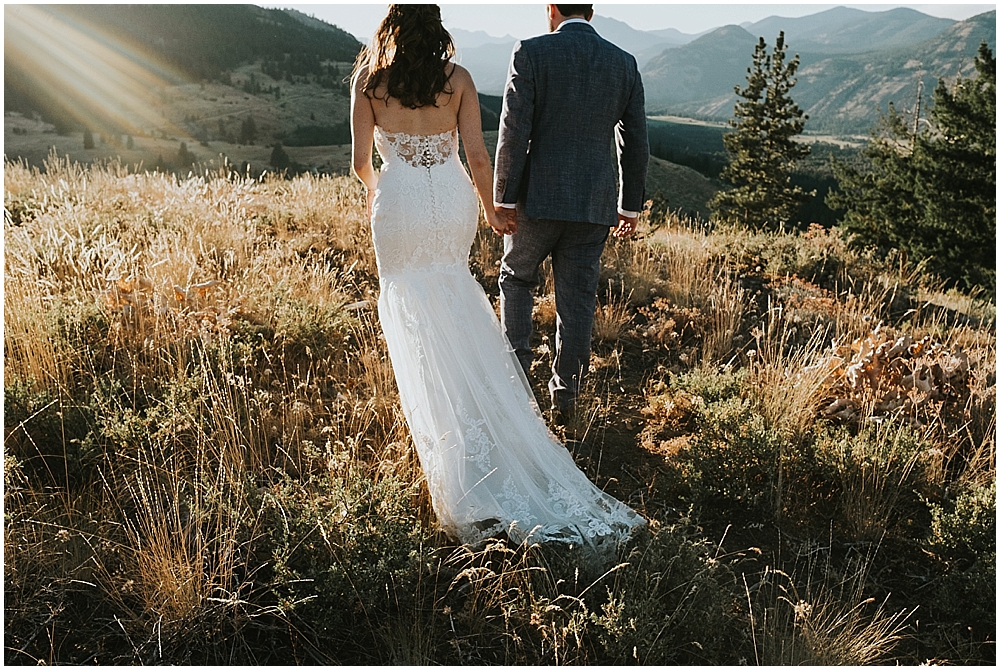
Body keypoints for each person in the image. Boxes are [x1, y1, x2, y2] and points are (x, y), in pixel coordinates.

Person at [351, 4, 644, 563]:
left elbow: (362, 162)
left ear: (391, 26)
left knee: (418, 307)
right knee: (461, 294)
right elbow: (479, 155)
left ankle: (448, 424)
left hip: (400, 205)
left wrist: (383, 193)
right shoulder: (458, 79)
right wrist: (491, 208)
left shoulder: (368, 81)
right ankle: (545, 396)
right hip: (460, 199)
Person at [494, 4, 649, 424]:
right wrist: (629, 207)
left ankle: (517, 380)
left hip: (536, 201)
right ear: (592, 11)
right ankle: (566, 400)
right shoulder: (624, 64)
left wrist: (503, 200)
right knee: (577, 300)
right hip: (594, 206)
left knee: (517, 278)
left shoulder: (531, 52)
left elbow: (513, 130)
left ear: (552, 8)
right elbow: (636, 144)